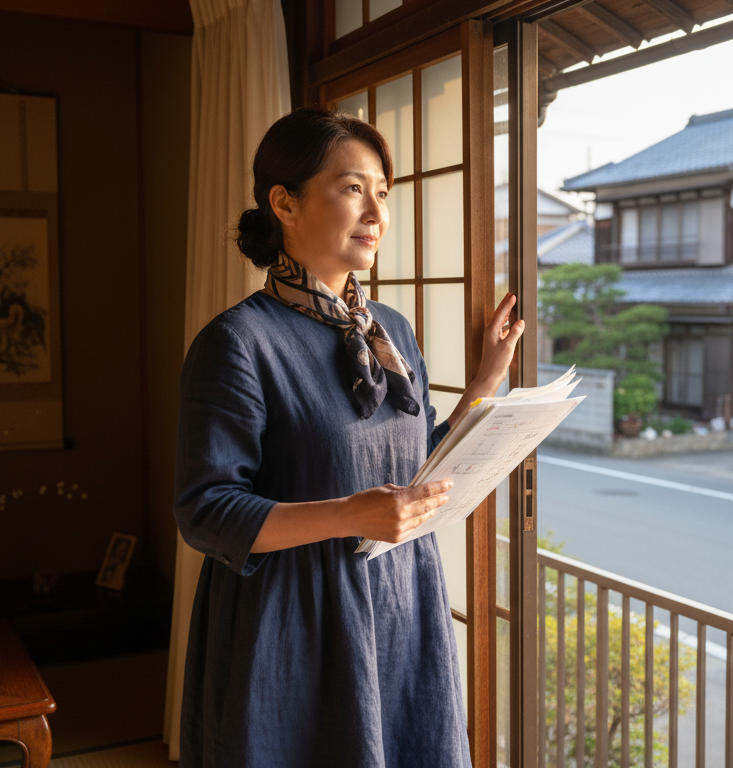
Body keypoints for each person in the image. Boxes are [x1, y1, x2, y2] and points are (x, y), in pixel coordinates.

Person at [173, 106, 522, 767]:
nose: (376, 213)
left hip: (400, 606)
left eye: (383, 192)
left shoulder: (391, 330)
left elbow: (415, 471)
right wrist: (352, 514)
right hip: (292, 622)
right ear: (285, 203)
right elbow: (206, 512)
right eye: (353, 188)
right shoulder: (238, 342)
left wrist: (484, 383)